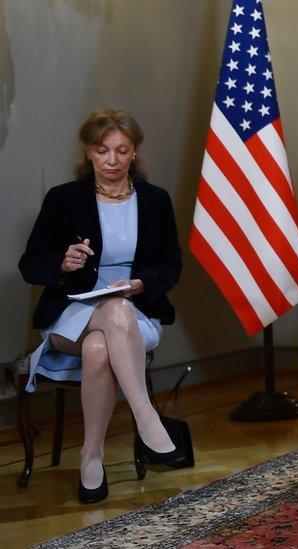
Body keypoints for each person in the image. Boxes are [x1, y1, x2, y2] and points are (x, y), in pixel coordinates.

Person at [19, 108, 184, 504]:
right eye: (102, 151)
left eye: (121, 151)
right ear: (88, 153)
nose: (112, 161)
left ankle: (90, 456)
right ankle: (146, 417)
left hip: (136, 310)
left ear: (134, 153)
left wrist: (141, 283)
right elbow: (30, 264)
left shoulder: (156, 200)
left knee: (101, 342)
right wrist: (62, 262)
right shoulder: (64, 199)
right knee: (111, 310)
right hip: (71, 312)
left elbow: (172, 264)